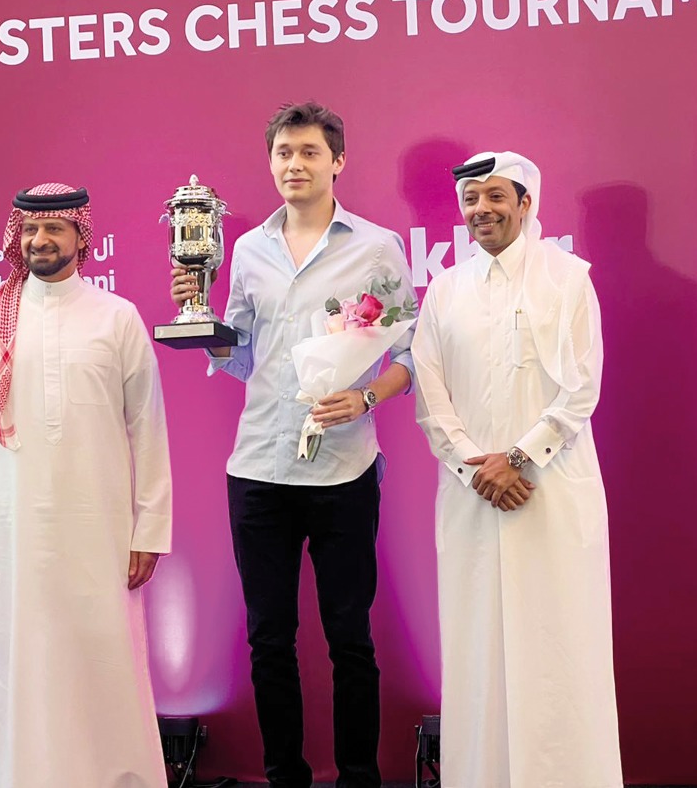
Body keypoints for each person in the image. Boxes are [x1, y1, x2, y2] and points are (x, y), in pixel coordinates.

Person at [171, 102, 414, 788]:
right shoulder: (246, 249)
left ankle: (359, 774)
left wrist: (365, 397)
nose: (294, 165)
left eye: (309, 152)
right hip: (259, 467)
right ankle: (285, 775)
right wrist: (203, 320)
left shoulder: (376, 245)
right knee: (268, 639)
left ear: (338, 160)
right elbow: (244, 355)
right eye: (283, 153)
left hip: (344, 468)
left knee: (350, 639)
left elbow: (410, 348)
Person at [0, 183, 172, 788]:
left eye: (54, 229)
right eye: (30, 231)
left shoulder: (115, 316)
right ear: (17, 239)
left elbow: (147, 428)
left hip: (100, 529)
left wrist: (149, 529)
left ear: (81, 236)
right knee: (27, 666)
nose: (41, 240)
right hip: (16, 531)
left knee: (106, 663)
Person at [411, 152, 622, 788]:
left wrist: (520, 456)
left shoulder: (567, 278)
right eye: (471, 198)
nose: (482, 210)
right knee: (479, 647)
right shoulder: (446, 288)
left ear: (526, 203)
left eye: (496, 197)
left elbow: (581, 387)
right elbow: (428, 388)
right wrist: (472, 465)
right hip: (473, 492)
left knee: (558, 644)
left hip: (551, 493)